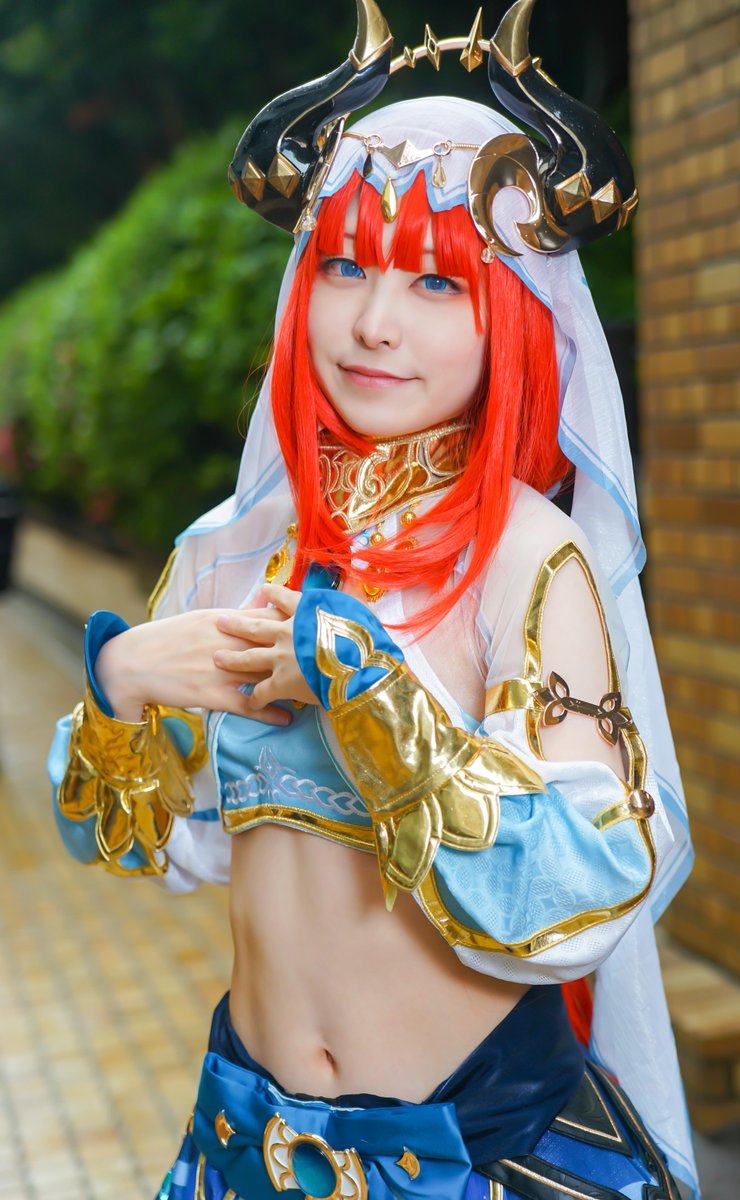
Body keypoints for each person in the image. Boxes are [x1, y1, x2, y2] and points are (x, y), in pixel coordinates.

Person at [49, 2, 698, 1198]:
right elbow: (142, 846)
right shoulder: (232, 550)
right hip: (244, 1150)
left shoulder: (526, 554)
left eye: (436, 282)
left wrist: (369, 697)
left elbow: (591, 885)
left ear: (514, 315)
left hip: (476, 1159)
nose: (373, 324)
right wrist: (119, 682)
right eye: (344, 266)